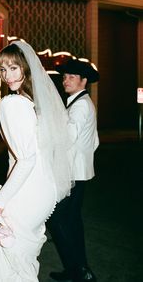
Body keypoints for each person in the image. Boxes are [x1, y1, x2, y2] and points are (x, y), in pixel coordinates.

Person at [0, 40, 74, 282]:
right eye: (2, 69)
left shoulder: (12, 103)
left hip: (27, 190)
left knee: (4, 259)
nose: (7, 75)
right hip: (45, 189)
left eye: (13, 68)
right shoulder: (35, 104)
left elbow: (27, 159)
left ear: (25, 68)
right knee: (23, 260)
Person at [47, 58, 100, 282]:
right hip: (78, 171)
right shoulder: (80, 102)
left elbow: (68, 137)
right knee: (71, 221)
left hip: (72, 173)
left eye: (71, 77)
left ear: (83, 80)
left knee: (57, 220)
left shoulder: (79, 105)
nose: (65, 81)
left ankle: (79, 271)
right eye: (64, 77)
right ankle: (78, 269)